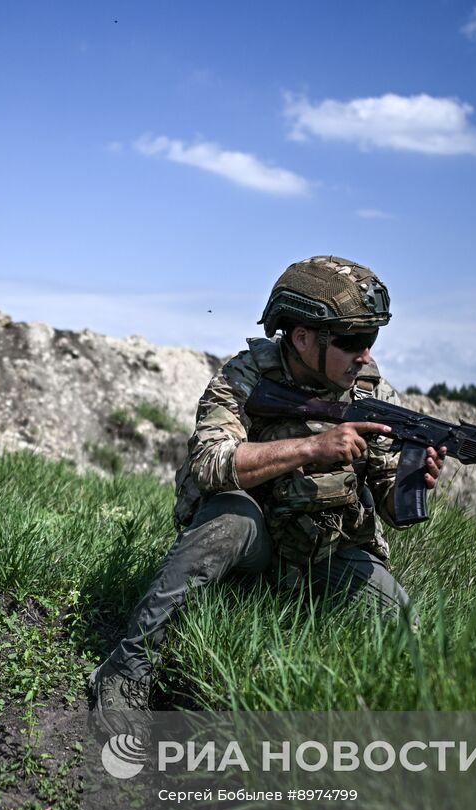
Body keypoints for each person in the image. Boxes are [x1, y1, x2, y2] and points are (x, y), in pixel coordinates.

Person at [87, 256, 446, 734]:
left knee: (403, 626)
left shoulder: (371, 393)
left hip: (323, 551)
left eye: (371, 340)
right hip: (252, 543)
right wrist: (312, 447)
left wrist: (411, 479)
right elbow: (210, 463)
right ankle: (129, 667)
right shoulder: (245, 378)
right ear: (302, 337)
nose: (364, 354)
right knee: (228, 518)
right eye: (351, 341)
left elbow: (392, 508)